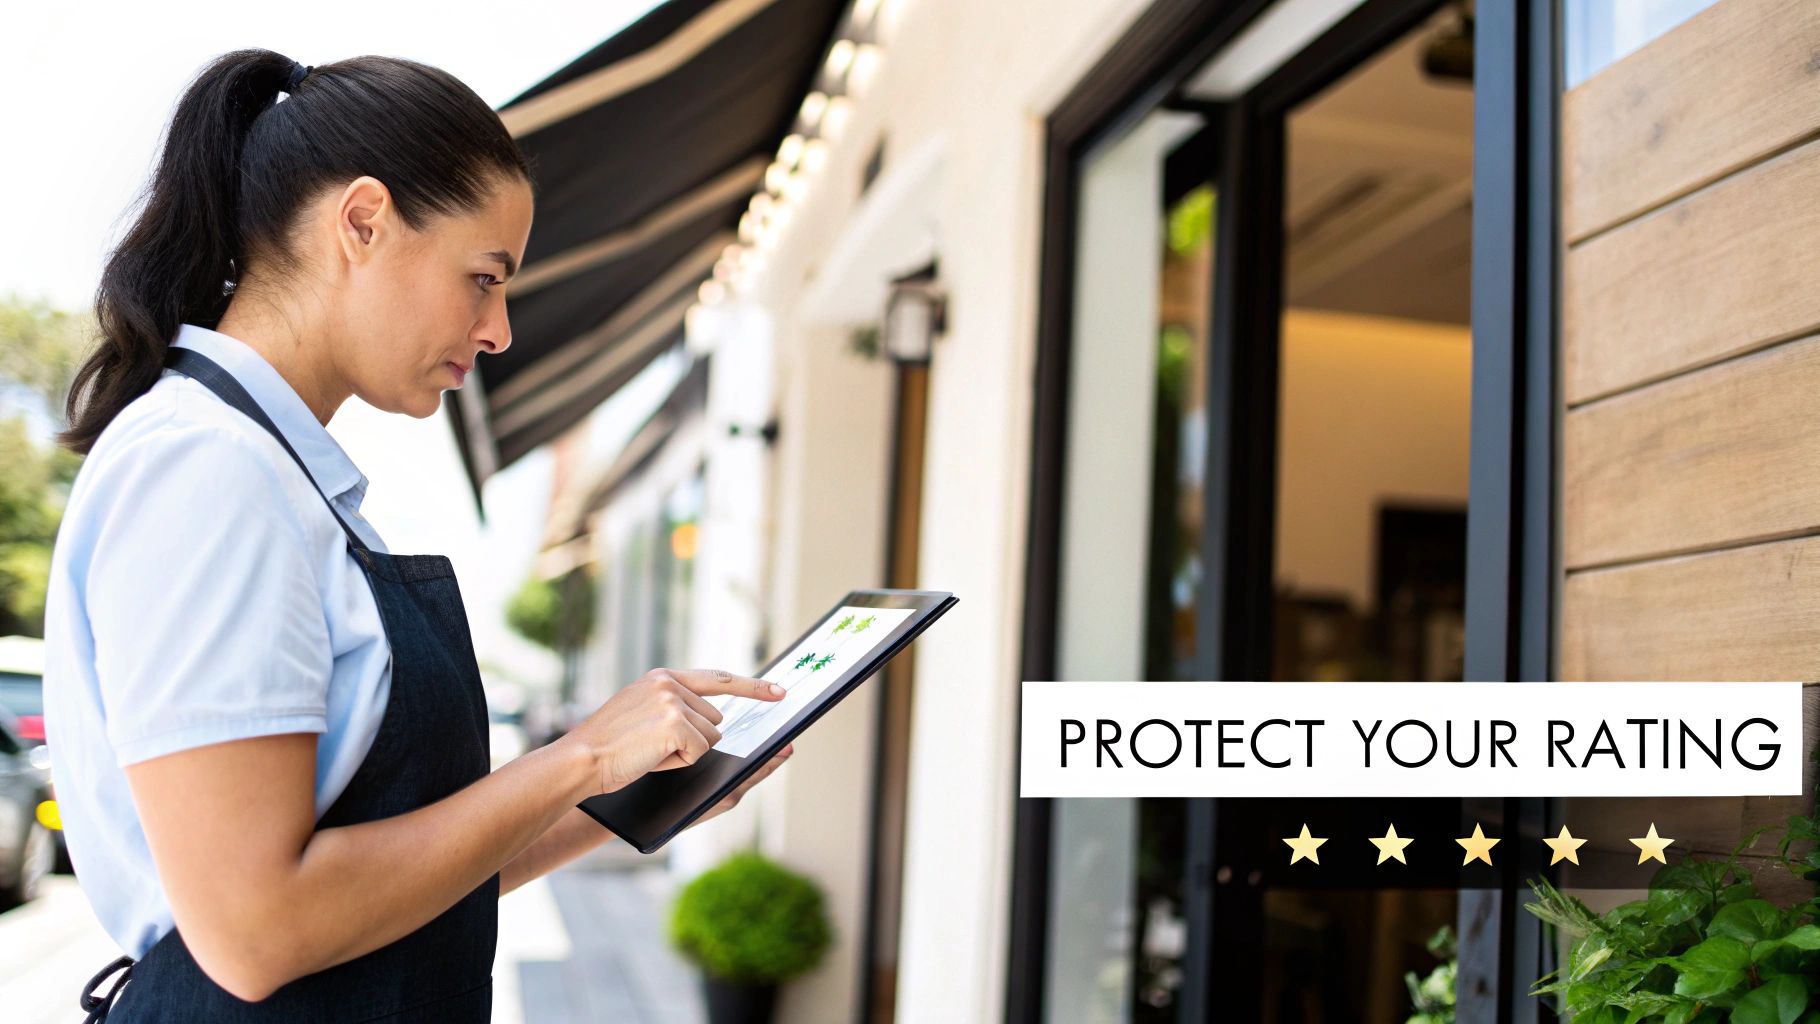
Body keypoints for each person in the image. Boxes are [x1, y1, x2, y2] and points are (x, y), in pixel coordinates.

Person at [40, 49, 791, 1022]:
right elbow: (258, 929)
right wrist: (580, 756)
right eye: (482, 277)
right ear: (360, 222)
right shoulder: (208, 469)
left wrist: (634, 796)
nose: (499, 332)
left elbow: (392, 888)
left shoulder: (275, 473)